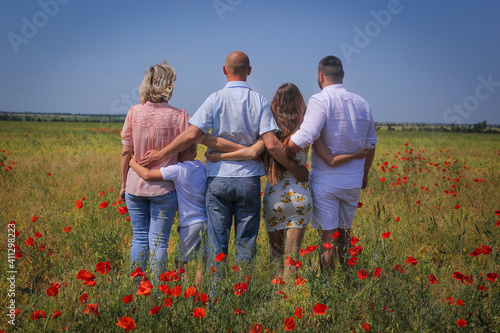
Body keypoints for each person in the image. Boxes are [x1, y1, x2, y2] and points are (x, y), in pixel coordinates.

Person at [138, 51, 308, 266]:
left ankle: (214, 297)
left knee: (217, 244)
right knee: (245, 243)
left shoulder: (215, 99)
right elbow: (272, 144)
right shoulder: (259, 101)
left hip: (218, 178)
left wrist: (161, 154)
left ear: (224, 70)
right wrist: (294, 168)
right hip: (248, 179)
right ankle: (243, 292)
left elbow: (192, 134)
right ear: (249, 71)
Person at [206, 83, 371, 277]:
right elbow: (329, 158)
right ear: (300, 102)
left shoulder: (269, 131)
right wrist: (356, 155)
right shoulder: (307, 129)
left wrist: (218, 156)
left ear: (275, 103)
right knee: (293, 256)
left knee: (275, 254)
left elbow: (253, 152)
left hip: (274, 195)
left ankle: (276, 298)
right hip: (300, 196)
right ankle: (290, 299)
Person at [288, 56, 377, 272]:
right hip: (353, 181)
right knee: (345, 234)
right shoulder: (362, 103)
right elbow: (371, 144)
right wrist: (364, 174)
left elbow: (307, 135)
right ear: (343, 75)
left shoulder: (320, 100)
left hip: (327, 182)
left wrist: (285, 149)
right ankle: (346, 278)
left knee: (328, 237)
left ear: (320, 76)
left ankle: (327, 286)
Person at [120, 61, 192, 279]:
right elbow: (188, 157)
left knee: (139, 238)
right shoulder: (180, 116)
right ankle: (157, 292)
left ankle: (137, 289)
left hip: (134, 186)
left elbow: (125, 153)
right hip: (164, 189)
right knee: (159, 243)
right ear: (168, 85)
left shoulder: (134, 112)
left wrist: (124, 184)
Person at [128, 144, 207, 286]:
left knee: (181, 263)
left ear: (177, 154)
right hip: (205, 222)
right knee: (201, 263)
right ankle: (199, 292)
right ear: (195, 154)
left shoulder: (178, 170)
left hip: (189, 225)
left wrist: (132, 162)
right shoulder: (201, 166)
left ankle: (185, 293)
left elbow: (148, 175)